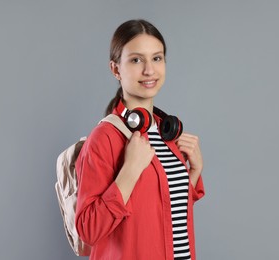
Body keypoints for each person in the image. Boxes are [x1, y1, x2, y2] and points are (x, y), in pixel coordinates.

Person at [75, 19, 205, 260]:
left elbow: (163, 213)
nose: (149, 70)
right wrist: (130, 171)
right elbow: (88, 231)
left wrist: (193, 172)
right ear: (115, 69)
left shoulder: (167, 134)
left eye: (156, 58)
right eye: (136, 60)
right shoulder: (104, 138)